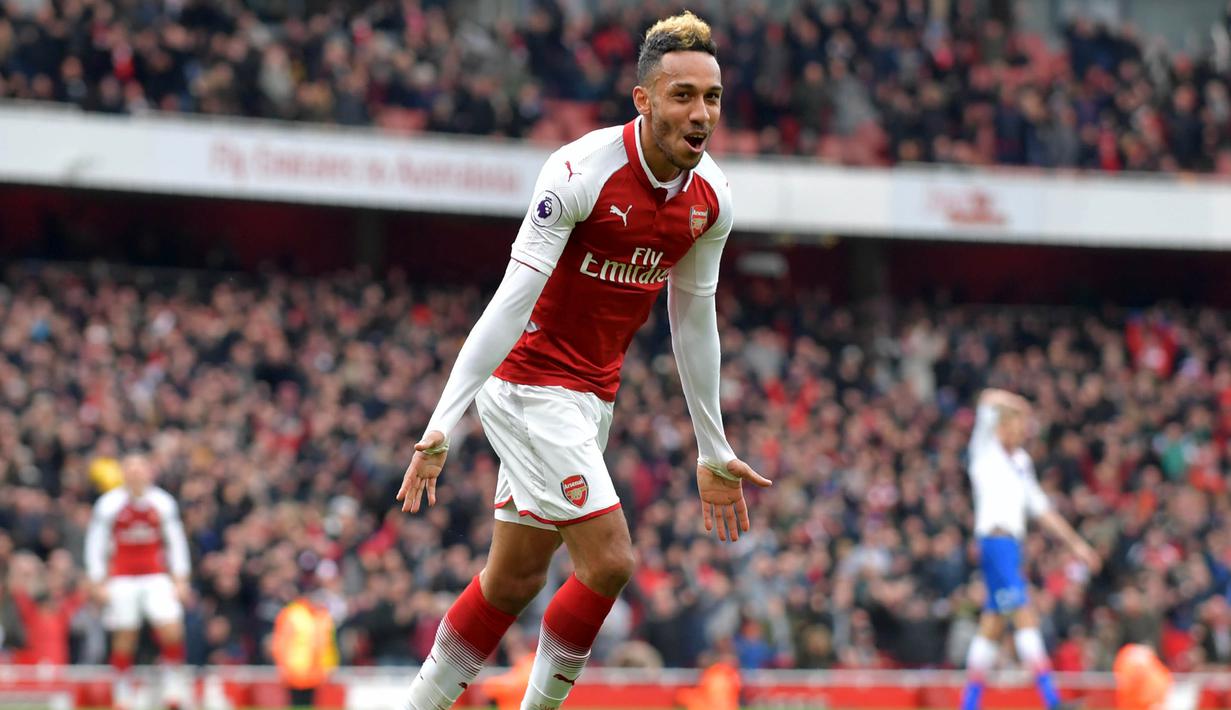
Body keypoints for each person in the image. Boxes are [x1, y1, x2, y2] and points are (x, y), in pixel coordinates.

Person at [396, 11, 771, 710]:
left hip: (591, 399)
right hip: (527, 386)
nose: (700, 113)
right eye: (682, 95)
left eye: (711, 97)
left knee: (510, 582)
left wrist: (712, 448)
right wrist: (443, 419)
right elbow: (510, 301)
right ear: (644, 99)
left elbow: (693, 319)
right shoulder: (578, 170)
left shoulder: (710, 198)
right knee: (610, 561)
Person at [960, 389, 1101, 710]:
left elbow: (1043, 510)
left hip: (1010, 545)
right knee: (1023, 614)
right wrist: (1020, 404)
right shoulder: (984, 449)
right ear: (1002, 426)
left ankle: (969, 705)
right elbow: (985, 398)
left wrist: (1077, 545)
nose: (1022, 432)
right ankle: (1052, 701)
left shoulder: (1022, 463)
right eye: (1017, 425)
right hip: (995, 544)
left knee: (993, 624)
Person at [84, 453, 192, 710]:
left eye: (140, 468)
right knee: (125, 634)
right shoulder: (109, 504)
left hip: (155, 575)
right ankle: (122, 687)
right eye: (130, 468)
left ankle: (172, 680)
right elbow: (95, 544)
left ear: (149, 472)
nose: (135, 473)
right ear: (123, 473)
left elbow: (175, 542)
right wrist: (97, 580)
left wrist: (181, 578)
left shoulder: (162, 502)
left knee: (172, 629)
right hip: (122, 577)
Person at [271, 586, 339, 708]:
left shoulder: (323, 617)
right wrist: (283, 667)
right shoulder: (292, 614)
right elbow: (280, 643)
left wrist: (329, 666)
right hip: (295, 672)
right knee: (297, 704)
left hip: (317, 674)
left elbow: (328, 644)